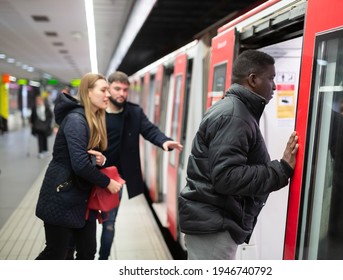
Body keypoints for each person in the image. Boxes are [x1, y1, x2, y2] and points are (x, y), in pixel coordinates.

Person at [178, 50, 299, 260]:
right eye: (271, 78)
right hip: (215, 226)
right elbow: (226, 177)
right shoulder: (235, 115)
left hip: (213, 221)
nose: (275, 86)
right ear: (252, 79)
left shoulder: (236, 110)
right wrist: (281, 169)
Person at [35, 73, 123, 260]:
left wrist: (102, 161)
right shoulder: (76, 120)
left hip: (82, 199)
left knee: (87, 252)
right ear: (88, 93)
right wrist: (107, 182)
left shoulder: (91, 119)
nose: (108, 95)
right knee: (56, 254)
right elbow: (80, 165)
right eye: (103, 90)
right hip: (62, 197)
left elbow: (87, 157)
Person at [97, 71, 183, 260]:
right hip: (91, 175)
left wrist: (164, 142)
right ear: (108, 89)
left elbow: (149, 129)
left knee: (109, 223)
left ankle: (102, 261)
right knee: (84, 224)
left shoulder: (133, 112)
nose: (122, 93)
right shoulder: (97, 112)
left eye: (125, 90)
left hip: (114, 181)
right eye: (117, 89)